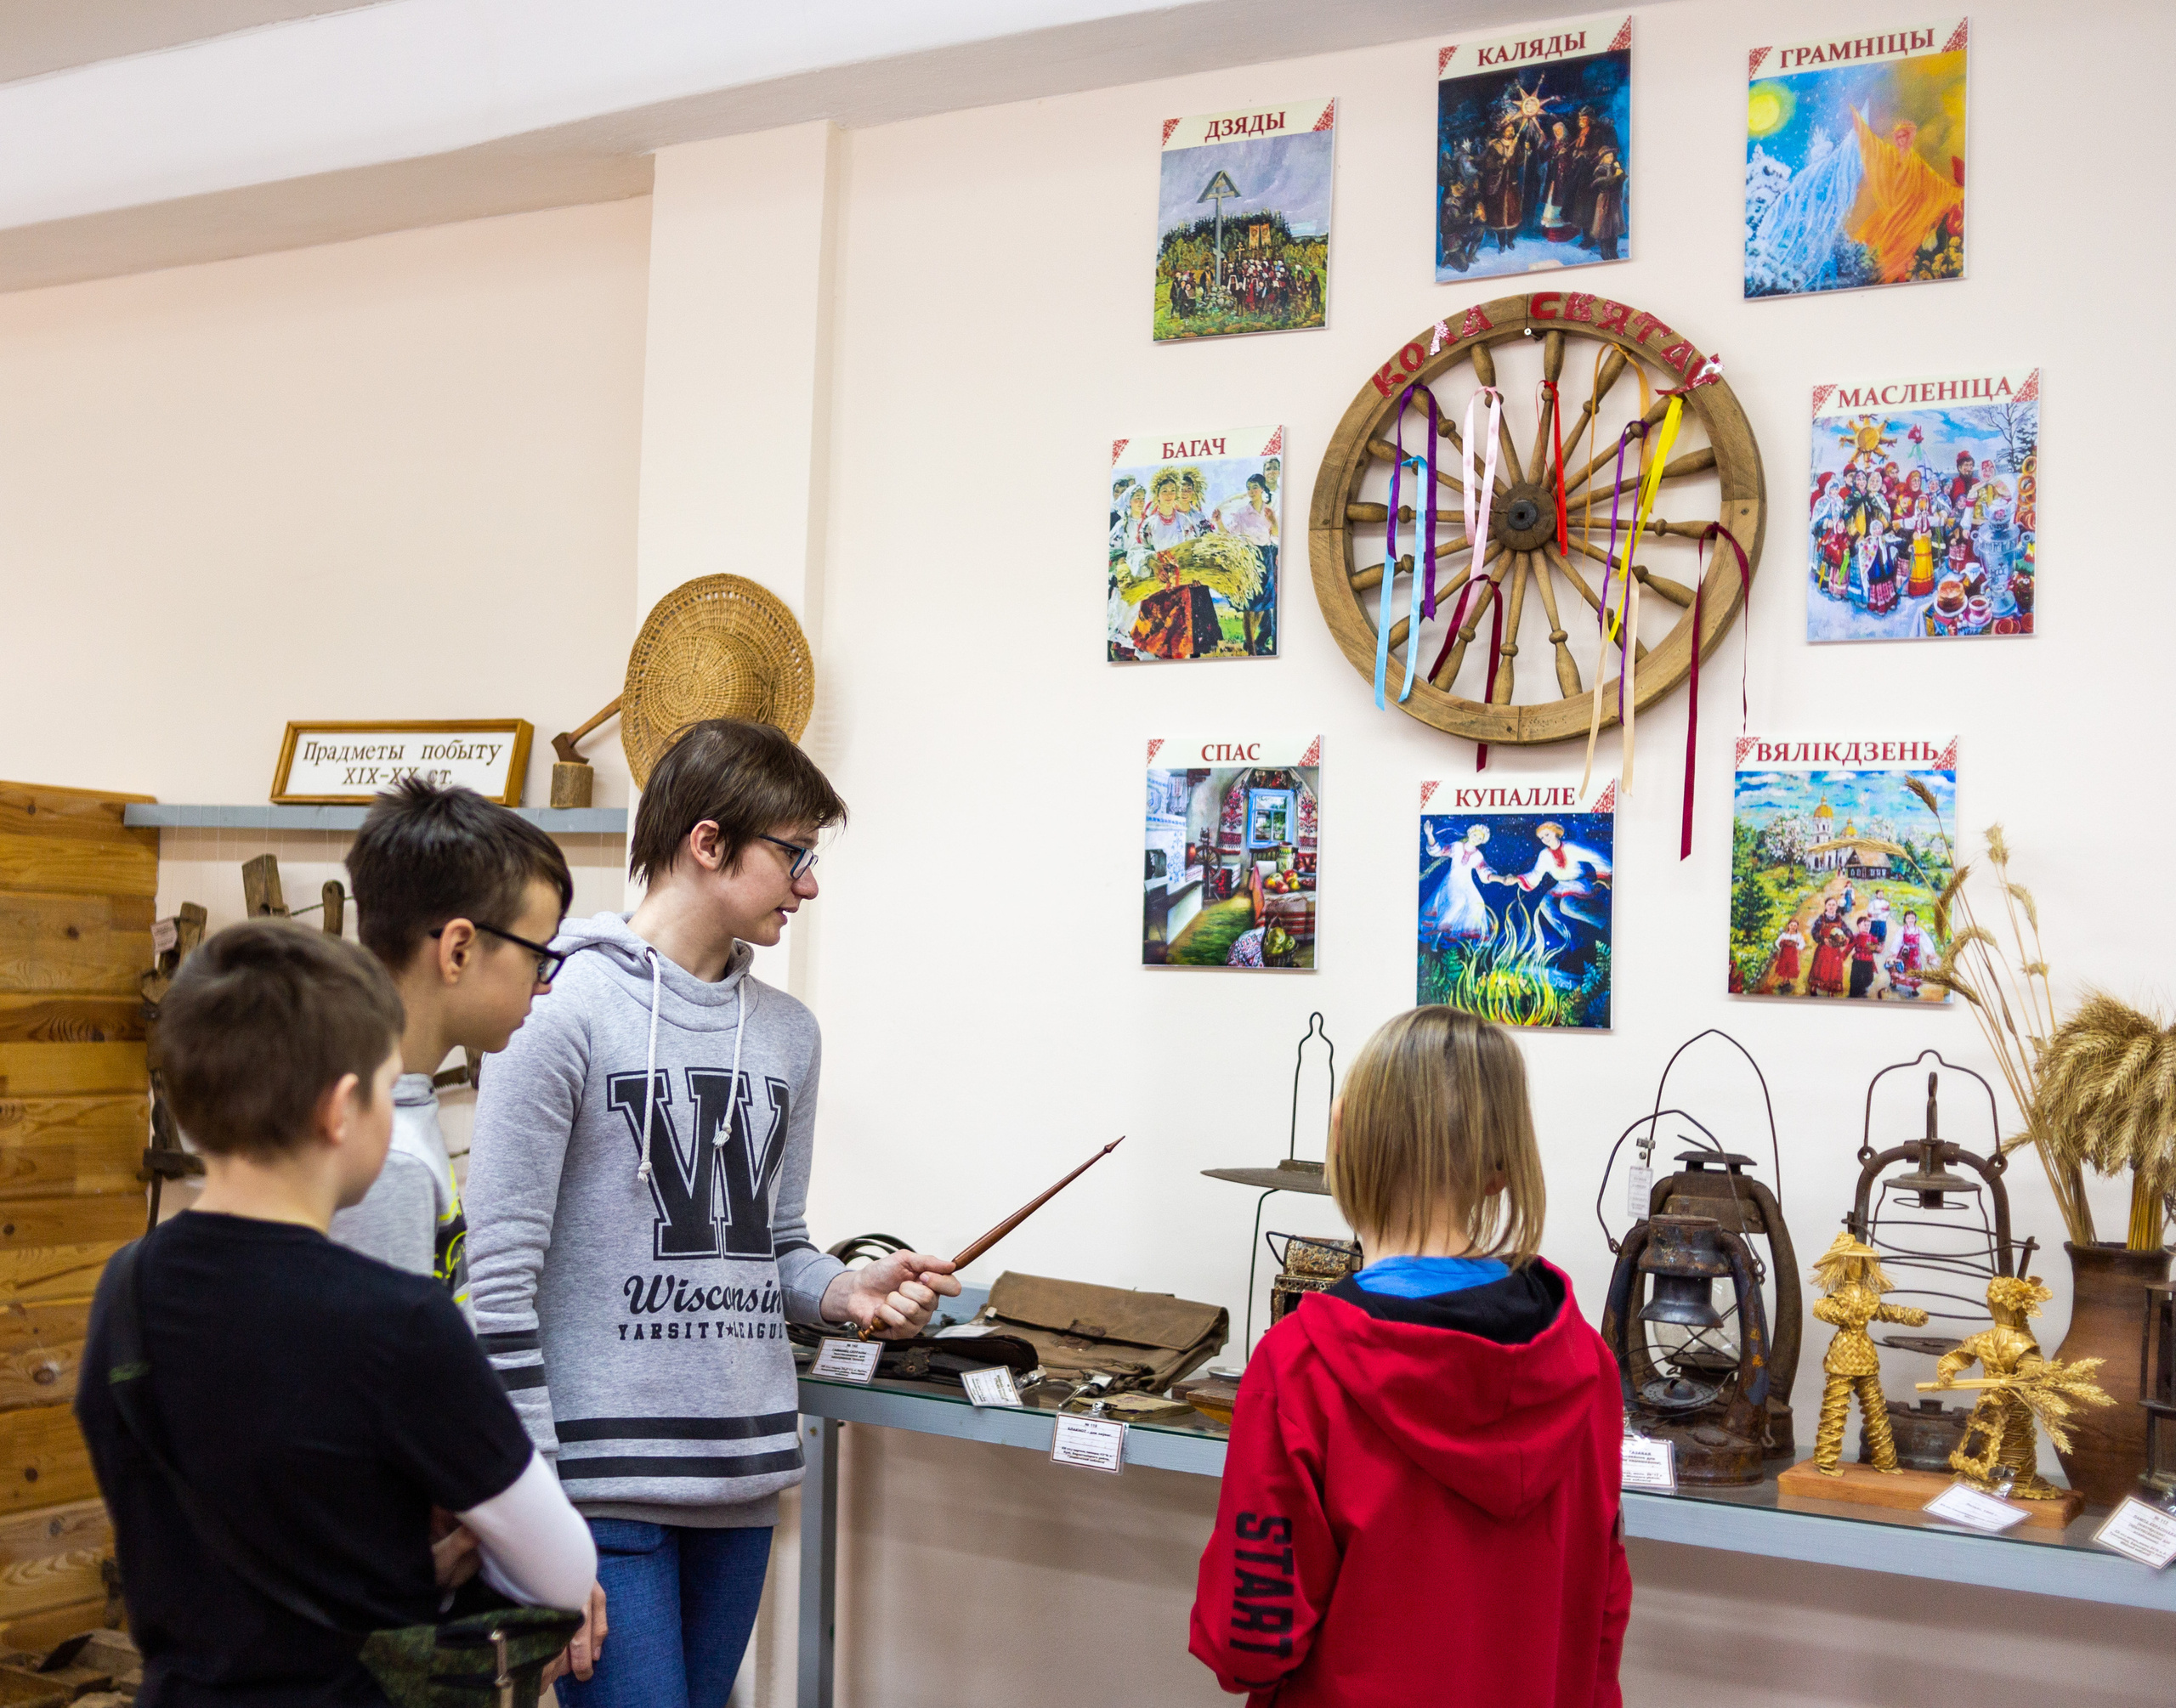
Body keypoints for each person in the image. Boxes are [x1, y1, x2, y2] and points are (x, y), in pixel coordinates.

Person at [464, 718, 959, 1708]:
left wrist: (846, 1289)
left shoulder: (788, 1036)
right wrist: (529, 1510)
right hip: (596, 1494)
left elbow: (772, 1248)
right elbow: (497, 1279)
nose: (809, 885)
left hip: (738, 1487)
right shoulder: (555, 1009)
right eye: (795, 854)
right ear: (707, 842)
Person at [77, 923, 598, 1705]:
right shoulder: (399, 1319)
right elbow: (562, 1569)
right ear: (341, 1108)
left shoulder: (126, 1285)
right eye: (390, 1088)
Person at [1189, 1007, 1629, 1705]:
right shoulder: (1586, 1361)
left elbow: (1250, 1642)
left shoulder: (1301, 1365)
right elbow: (1604, 1605)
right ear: (1500, 1170)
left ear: (1343, 1139)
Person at [331, 778, 574, 1312]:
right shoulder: (381, 1158)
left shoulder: (399, 1108)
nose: (545, 981)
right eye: (538, 954)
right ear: (458, 950)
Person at [1419, 822, 1496, 948]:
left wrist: (1502, 879)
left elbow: (1484, 873)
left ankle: (1472, 943)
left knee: (1478, 903)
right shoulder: (1457, 846)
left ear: (1482, 841)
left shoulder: (1478, 856)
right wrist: (1429, 835)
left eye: (1480, 838)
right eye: (1475, 835)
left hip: (1467, 884)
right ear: (1470, 833)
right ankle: (1435, 936)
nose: (1476, 839)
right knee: (1458, 902)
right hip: (1452, 881)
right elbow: (1439, 850)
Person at [1847, 913, 1881, 998]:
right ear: (1859, 925)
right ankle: (1854, 994)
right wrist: (1842, 956)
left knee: (1869, 978)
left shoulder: (1872, 937)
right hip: (1858, 960)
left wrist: (1876, 948)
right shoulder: (1856, 936)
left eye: (1868, 925)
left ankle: (1862, 989)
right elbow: (1849, 947)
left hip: (1868, 960)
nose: (1866, 927)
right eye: (1864, 925)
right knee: (1855, 978)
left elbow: (1877, 947)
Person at [1771, 917, 1805, 990]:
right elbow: (1777, 942)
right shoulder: (1784, 935)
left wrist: (1798, 947)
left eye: (1795, 926)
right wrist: (1780, 946)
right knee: (1784, 965)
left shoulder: (1798, 935)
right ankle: (1784, 980)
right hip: (1784, 953)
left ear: (1797, 927)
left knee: (1791, 966)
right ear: (1788, 926)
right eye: (1791, 925)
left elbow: (1802, 944)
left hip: (1793, 954)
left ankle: (1787, 979)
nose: (1793, 927)